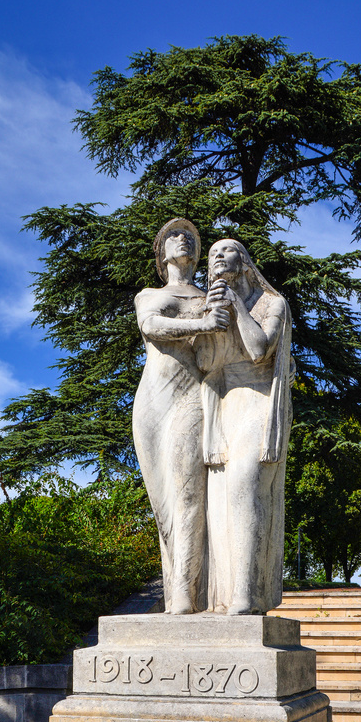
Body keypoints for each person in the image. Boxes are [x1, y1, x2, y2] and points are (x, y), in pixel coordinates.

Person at [133, 219, 229, 614]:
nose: (183, 238)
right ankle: (179, 592)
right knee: (164, 506)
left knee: (189, 495)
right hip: (153, 403)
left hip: (194, 396)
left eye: (190, 235)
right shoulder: (150, 294)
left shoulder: (212, 295)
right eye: (173, 235)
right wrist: (204, 322)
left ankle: (186, 599)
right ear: (162, 254)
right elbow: (151, 325)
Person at [194, 239, 293, 614]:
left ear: (246, 263)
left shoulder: (272, 304)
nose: (218, 256)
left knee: (244, 485)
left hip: (260, 400)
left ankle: (247, 594)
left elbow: (258, 349)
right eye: (213, 253)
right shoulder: (213, 304)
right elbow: (205, 362)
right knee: (220, 504)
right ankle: (229, 591)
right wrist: (208, 320)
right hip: (223, 404)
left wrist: (236, 305)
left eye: (227, 250)